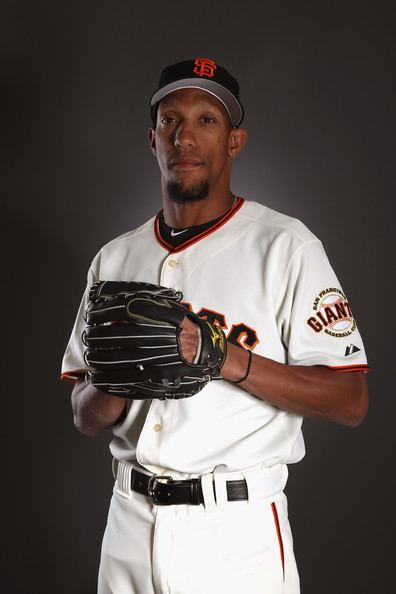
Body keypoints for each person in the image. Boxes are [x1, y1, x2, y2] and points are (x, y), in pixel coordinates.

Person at [61, 57, 369, 594]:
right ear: (152, 139)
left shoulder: (287, 246)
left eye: (207, 119)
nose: (184, 136)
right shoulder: (113, 260)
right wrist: (117, 380)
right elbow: (85, 418)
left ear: (235, 141)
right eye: (169, 121)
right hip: (128, 524)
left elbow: (351, 400)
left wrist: (225, 355)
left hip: (236, 532)